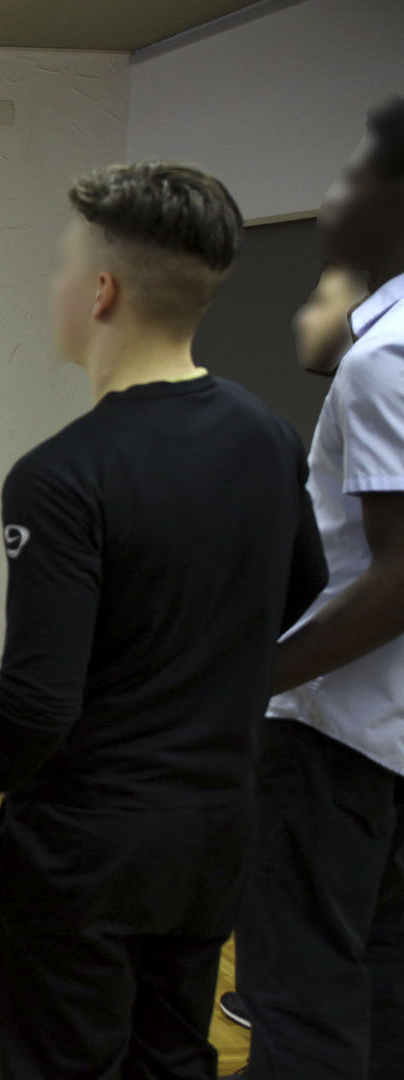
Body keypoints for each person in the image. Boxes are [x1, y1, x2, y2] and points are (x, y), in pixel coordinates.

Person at [0, 161, 327, 1079]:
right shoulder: (269, 437)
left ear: (101, 290)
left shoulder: (61, 475)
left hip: (84, 852)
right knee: (171, 1061)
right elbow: (302, 590)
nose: (53, 288)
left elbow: (37, 702)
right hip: (214, 833)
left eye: (62, 268)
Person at [229, 96, 404, 1080]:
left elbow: (398, 574)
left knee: (302, 999)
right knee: (381, 982)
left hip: (335, 736)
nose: (331, 198)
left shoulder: (387, 360)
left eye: (351, 175)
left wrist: (255, 675)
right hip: (391, 738)